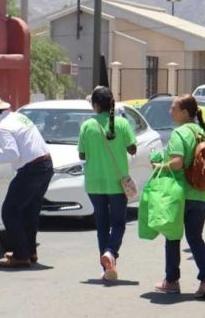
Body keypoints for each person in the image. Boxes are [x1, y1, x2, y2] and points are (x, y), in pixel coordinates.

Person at [0, 92, 54, 268]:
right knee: (29, 211)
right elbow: (20, 139)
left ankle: (21, 254)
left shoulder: (3, 127)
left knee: (10, 212)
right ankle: (29, 251)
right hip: (45, 165)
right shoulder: (16, 117)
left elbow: (12, 154)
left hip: (31, 169)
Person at [153, 95, 205, 299]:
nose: (170, 111)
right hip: (203, 194)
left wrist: (159, 166)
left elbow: (177, 163)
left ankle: (171, 281)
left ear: (185, 112)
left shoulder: (180, 133)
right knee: (195, 238)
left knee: (172, 236)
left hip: (180, 195)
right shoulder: (204, 133)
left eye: (173, 108)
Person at [78, 86, 137, 281]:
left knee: (102, 224)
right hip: (117, 183)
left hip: (94, 183)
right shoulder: (121, 123)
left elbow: (81, 154)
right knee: (119, 223)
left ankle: (107, 268)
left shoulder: (87, 125)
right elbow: (132, 149)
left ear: (95, 105)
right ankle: (111, 252)